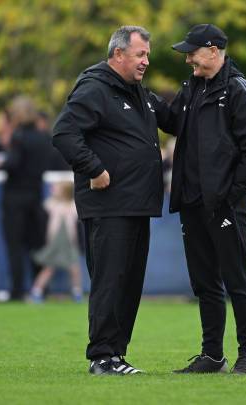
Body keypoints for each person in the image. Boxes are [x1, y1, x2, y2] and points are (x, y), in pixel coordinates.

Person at [152, 24, 246, 374]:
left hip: (225, 204)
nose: (188, 59)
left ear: (214, 50)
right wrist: (145, 97)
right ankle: (212, 355)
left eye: (193, 52)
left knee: (237, 280)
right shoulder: (193, 87)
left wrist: (230, 196)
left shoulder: (239, 90)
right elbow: (175, 123)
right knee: (204, 282)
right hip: (191, 201)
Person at [52, 26, 163, 376]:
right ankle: (101, 356)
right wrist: (93, 168)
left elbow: (177, 119)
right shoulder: (95, 88)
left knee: (129, 285)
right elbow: (64, 133)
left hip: (136, 203)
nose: (146, 60)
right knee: (110, 282)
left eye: (147, 54)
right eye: (140, 54)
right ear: (118, 54)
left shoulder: (137, 93)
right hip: (109, 205)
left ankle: (116, 355)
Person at [0, 96, 50, 301]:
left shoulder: (18, 137)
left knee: (15, 245)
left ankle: (17, 290)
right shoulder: (43, 137)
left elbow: (13, 164)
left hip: (15, 197)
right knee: (36, 244)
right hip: (35, 195)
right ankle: (39, 289)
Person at [30, 181, 82, 303]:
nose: (54, 190)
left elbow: (75, 219)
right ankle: (36, 292)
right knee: (49, 268)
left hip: (69, 242)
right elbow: (45, 207)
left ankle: (77, 292)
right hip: (55, 242)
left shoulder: (72, 206)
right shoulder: (52, 204)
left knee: (74, 268)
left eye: (57, 189)